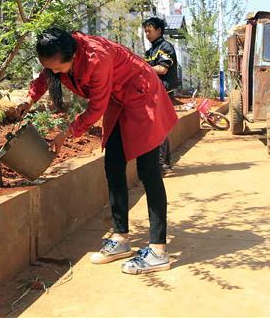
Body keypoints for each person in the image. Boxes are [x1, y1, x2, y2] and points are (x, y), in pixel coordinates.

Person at [15, 28, 178, 274]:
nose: (56, 74)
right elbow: (46, 75)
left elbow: (95, 109)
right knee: (113, 165)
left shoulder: (97, 59)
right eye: (52, 69)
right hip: (119, 99)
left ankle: (158, 251)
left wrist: (66, 134)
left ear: (72, 56)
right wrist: (29, 100)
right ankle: (121, 238)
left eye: (59, 69)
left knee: (149, 171)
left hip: (143, 96)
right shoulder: (61, 53)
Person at [142, 17, 180, 172]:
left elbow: (162, 69)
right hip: (154, 93)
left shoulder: (166, 47)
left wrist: (141, 67)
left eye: (149, 31)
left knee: (160, 128)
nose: (147, 34)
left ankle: (161, 163)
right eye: (145, 31)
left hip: (164, 93)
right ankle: (164, 163)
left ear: (158, 30)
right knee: (158, 127)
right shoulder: (150, 51)